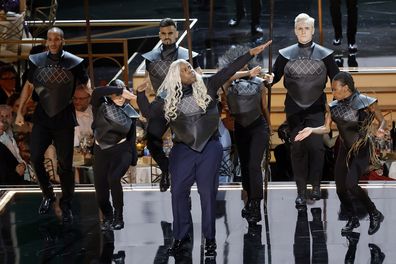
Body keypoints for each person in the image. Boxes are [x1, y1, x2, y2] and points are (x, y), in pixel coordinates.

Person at [137, 41, 272, 255]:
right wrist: (139, 95)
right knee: (178, 193)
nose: (190, 70)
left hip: (209, 147)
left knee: (207, 194)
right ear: (175, 76)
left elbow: (228, 70)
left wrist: (250, 54)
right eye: (185, 69)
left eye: (190, 67)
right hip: (182, 150)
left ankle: (210, 240)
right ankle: (181, 236)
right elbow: (151, 115)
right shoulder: (167, 97)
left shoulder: (207, 85)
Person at [295, 71, 385, 235]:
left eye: (335, 89)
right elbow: (326, 128)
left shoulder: (366, 101)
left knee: (351, 184)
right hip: (345, 148)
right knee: (340, 188)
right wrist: (311, 129)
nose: (333, 93)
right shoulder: (332, 106)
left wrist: (380, 129)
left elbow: (383, 120)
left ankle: (374, 213)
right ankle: (353, 218)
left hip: (361, 147)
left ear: (346, 87)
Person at [15, 27, 91, 222]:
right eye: (50, 39)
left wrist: (90, 101)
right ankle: (48, 194)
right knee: (36, 158)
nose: (53, 42)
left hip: (64, 117)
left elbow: (86, 84)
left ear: (62, 41)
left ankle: (66, 201)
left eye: (57, 39)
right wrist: (20, 112)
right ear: (46, 42)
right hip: (42, 117)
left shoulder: (74, 63)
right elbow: (29, 86)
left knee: (65, 164)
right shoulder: (37, 60)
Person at [270, 13, 339, 207]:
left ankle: (315, 186)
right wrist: (266, 79)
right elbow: (274, 77)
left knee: (316, 147)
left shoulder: (326, 55)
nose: (303, 31)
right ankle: (300, 191)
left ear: (313, 30)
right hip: (293, 108)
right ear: (295, 31)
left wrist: (334, 107)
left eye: (306, 28)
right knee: (297, 149)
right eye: (300, 28)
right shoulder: (285, 54)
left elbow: (337, 82)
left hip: (316, 107)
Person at [138, 18, 201, 192]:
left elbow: (198, 78)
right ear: (159, 35)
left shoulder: (188, 56)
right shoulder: (151, 58)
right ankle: (166, 169)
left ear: (176, 34)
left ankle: (185, 179)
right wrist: (142, 94)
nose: (167, 37)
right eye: (164, 34)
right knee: (151, 140)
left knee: (183, 142)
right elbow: (148, 82)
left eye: (170, 33)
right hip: (162, 103)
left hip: (183, 103)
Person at [218, 45, 272, 224]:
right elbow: (226, 76)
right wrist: (247, 74)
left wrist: (270, 129)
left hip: (258, 127)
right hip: (240, 128)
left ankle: (256, 204)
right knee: (245, 166)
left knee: (254, 165)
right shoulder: (228, 82)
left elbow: (264, 108)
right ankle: (249, 201)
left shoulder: (258, 83)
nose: (241, 66)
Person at [91, 79, 139, 231]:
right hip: (101, 150)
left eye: (122, 93)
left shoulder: (131, 112)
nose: (119, 97)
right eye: (115, 94)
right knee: (100, 189)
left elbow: (132, 138)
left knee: (113, 178)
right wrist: (118, 90)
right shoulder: (100, 105)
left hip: (122, 149)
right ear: (110, 94)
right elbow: (96, 92)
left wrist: (133, 160)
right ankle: (108, 216)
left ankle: (119, 217)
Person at [0, 105, 26, 184]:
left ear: (12, 118)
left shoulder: (10, 137)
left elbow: (18, 158)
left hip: (19, 176)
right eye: (1, 116)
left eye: (7, 116)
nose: (4, 119)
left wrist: (23, 165)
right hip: (9, 181)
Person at [73, 84, 93, 148]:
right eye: (75, 98)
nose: (77, 101)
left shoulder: (96, 113)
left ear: (89, 99)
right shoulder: (67, 115)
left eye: (81, 99)